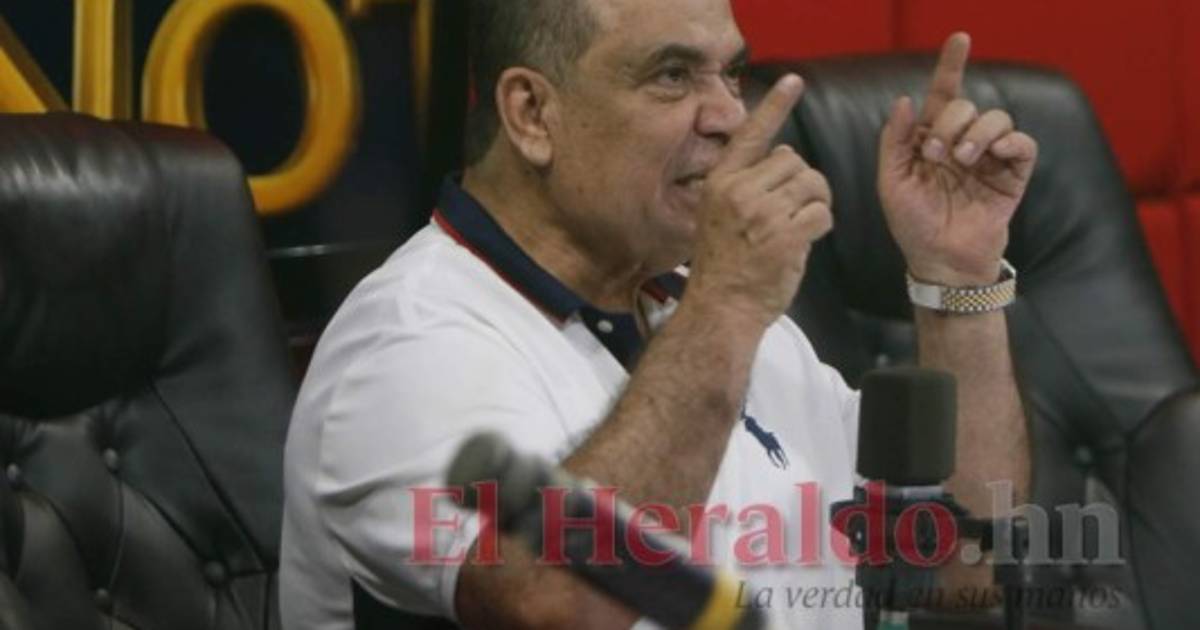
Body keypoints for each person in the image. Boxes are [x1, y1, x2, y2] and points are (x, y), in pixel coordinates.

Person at [279, 0, 1036, 628]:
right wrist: (728, 303)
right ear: (532, 113)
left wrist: (955, 277)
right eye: (672, 76)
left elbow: (958, 566)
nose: (731, 116)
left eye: (731, 74)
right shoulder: (408, 346)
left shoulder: (706, 309)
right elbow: (561, 603)